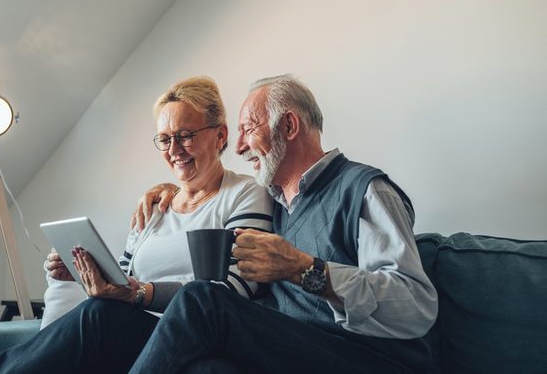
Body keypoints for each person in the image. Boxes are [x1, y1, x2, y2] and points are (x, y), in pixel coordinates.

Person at [129, 74, 438, 374]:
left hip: (368, 358)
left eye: (248, 129)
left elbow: (415, 306)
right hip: (294, 349)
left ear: (289, 125)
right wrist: (176, 191)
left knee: (200, 300)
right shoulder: (273, 205)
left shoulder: (365, 190)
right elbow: (208, 188)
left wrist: (303, 269)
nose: (238, 147)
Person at [0, 76, 272, 374]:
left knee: (99, 315)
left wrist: (141, 292)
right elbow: (123, 278)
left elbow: (235, 288)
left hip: (189, 335)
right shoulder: (154, 207)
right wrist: (80, 274)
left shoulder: (245, 194)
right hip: (133, 334)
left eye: (185, 135)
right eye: (165, 139)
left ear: (220, 135)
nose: (174, 150)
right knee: (100, 312)